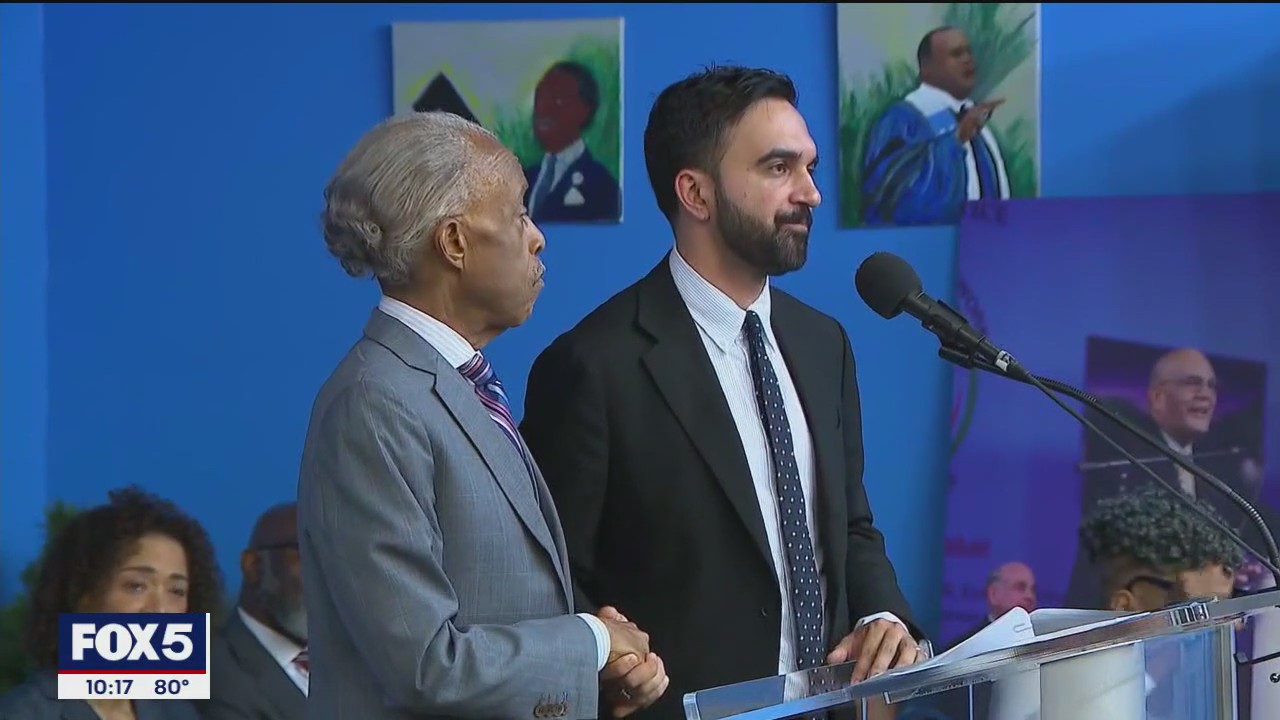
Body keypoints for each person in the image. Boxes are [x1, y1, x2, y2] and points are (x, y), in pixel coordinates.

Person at [520, 66, 925, 720]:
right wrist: (608, 667)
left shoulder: (824, 344)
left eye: (810, 167)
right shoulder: (592, 366)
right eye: (778, 168)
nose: (811, 193)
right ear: (696, 193)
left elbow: (851, 527)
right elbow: (549, 581)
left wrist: (884, 616)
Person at [297, 110, 667, 720]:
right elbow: (424, 664)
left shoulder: (452, 387)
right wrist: (592, 642)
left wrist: (591, 676)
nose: (537, 237)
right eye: (519, 214)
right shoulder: (374, 403)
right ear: (454, 243)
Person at [0, 486, 222, 720]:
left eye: (177, 591)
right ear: (83, 596)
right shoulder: (24, 713)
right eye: (137, 586)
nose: (160, 609)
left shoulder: (176, 710)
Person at [861, 26, 1011, 227]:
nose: (968, 59)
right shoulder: (901, 118)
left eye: (968, 52)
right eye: (956, 54)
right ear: (927, 67)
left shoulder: (974, 117)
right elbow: (889, 195)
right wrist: (956, 140)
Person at [201, 503, 307, 720]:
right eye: (308, 552)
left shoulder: (351, 662)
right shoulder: (207, 664)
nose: (327, 573)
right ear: (253, 566)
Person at [524, 61, 621, 223]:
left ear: (584, 110)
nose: (543, 108)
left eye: (557, 100)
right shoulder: (523, 180)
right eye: (540, 98)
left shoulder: (601, 187)